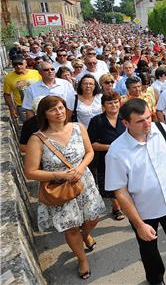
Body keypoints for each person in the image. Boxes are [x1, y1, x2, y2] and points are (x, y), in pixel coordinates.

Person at [105, 99, 166, 285]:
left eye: (149, 117)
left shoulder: (161, 129)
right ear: (126, 123)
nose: (147, 123)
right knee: (149, 251)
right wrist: (139, 224)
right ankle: (156, 280)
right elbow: (121, 193)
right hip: (143, 212)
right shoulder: (116, 152)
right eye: (140, 121)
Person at [24, 96, 105, 280]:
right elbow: (30, 172)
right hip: (60, 189)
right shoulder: (37, 139)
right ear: (44, 114)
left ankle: (86, 235)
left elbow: (90, 151)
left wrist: (81, 167)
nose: (59, 112)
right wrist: (59, 175)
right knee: (71, 228)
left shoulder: (78, 127)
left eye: (61, 108)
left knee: (93, 218)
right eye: (53, 110)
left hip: (84, 182)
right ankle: (82, 259)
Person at [87, 92, 126, 221]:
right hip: (106, 159)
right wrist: (111, 147)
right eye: (109, 103)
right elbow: (91, 144)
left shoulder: (126, 118)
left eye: (116, 102)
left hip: (127, 157)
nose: (113, 105)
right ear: (104, 105)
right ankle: (116, 207)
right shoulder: (96, 121)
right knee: (112, 184)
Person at [3, 55, 41, 121]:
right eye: (15, 64)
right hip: (23, 107)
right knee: (29, 127)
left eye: (20, 64)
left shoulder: (36, 73)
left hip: (40, 104)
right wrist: (12, 108)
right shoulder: (8, 78)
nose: (18, 66)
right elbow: (7, 94)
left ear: (25, 63)